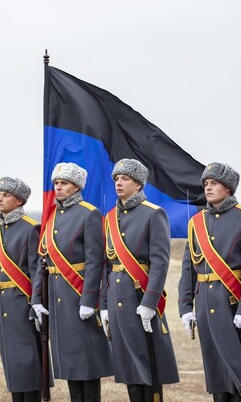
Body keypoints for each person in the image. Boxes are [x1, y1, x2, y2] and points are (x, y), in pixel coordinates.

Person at [178, 162, 241, 402]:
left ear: (228, 188)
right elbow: (189, 268)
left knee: (239, 371)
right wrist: (185, 307)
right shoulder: (196, 222)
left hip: (233, 304)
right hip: (205, 304)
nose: (208, 188)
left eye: (214, 183)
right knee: (216, 372)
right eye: (206, 184)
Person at [33, 162, 113, 402]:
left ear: (76, 187)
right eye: (56, 183)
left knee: (86, 363)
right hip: (57, 299)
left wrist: (89, 299)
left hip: (77, 296)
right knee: (68, 362)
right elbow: (43, 261)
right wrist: (37, 299)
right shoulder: (51, 215)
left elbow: (95, 261)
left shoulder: (90, 213)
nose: (58, 187)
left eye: (64, 183)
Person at [100, 158, 179, 402]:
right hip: (116, 299)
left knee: (148, 362)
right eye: (116, 179)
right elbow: (107, 265)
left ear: (138, 184)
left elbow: (160, 262)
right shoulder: (110, 217)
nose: (119, 183)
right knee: (127, 365)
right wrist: (103, 304)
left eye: (125, 179)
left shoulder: (154, 214)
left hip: (139, 296)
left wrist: (149, 302)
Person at [0, 176, 46, 402]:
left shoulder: (31, 229)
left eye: (6, 195)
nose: (0, 199)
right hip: (2, 305)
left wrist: (36, 305)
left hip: (23, 305)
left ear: (19, 201)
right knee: (11, 363)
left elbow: (36, 271)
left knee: (28, 363)